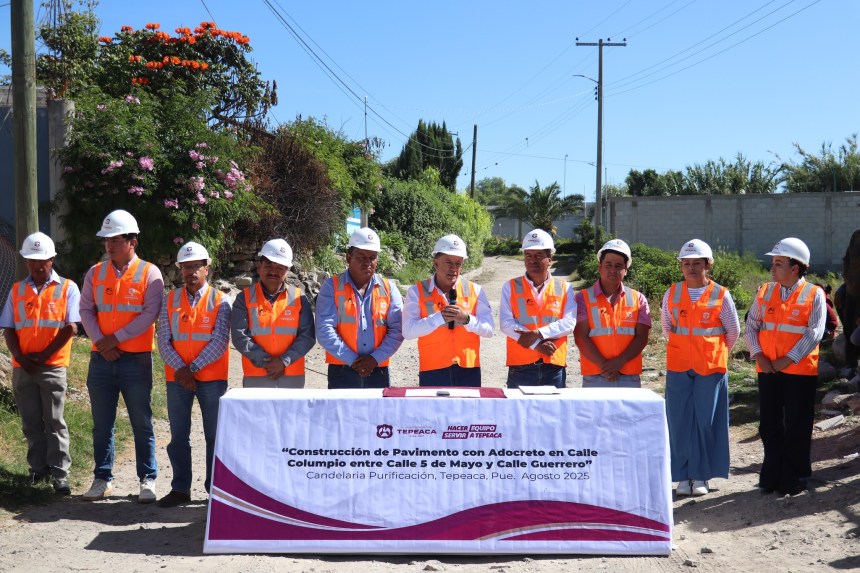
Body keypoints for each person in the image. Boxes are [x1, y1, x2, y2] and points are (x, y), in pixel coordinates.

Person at [79, 210, 164, 502]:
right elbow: (86, 310)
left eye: (116, 240)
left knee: (142, 421)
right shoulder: (95, 272)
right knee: (102, 422)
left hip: (136, 360)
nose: (110, 245)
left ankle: (147, 479)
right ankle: (102, 479)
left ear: (133, 242)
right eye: (107, 240)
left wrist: (115, 339)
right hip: (101, 359)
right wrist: (102, 342)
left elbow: (149, 314)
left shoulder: (150, 273)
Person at [745, 237, 826, 497]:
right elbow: (752, 325)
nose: (772, 268)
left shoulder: (815, 294)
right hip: (767, 369)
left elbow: (814, 333)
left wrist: (787, 359)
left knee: (797, 424)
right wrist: (758, 355)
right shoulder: (765, 291)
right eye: (773, 262)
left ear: (796, 267)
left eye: (778, 263)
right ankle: (772, 474)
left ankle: (794, 475)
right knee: (768, 424)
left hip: (799, 372)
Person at [0, 232, 79, 495]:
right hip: (23, 367)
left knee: (55, 421)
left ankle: (60, 474)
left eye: (42, 260)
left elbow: (71, 327)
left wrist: (43, 357)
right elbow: (9, 328)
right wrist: (20, 357)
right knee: (30, 421)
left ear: (52, 259)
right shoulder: (17, 289)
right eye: (31, 260)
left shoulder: (68, 288)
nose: (37, 265)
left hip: (53, 365)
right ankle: (37, 471)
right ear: (25, 261)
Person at [661, 239, 740, 497]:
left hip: (711, 367)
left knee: (706, 420)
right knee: (679, 421)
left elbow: (733, 331)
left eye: (697, 263)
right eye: (687, 263)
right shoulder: (671, 293)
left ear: (708, 265)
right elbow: (666, 328)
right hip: (679, 365)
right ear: (681, 266)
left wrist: (713, 351)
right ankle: (683, 477)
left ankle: (701, 475)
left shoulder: (721, 294)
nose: (691, 267)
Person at [155, 242, 230, 508]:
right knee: (178, 436)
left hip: (211, 379)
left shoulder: (221, 301)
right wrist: (182, 370)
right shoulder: (170, 300)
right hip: (178, 379)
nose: (190, 272)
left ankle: (216, 491)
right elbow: (163, 339)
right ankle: (180, 488)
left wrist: (193, 369)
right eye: (186, 267)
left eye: (196, 266)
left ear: (206, 269)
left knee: (215, 436)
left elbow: (219, 341)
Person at [315, 227, 404, 389]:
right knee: (341, 415)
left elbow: (398, 330)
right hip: (342, 370)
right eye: (361, 256)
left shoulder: (389, 289)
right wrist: (352, 359)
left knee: (376, 415)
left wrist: (375, 359)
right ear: (349, 258)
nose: (367, 262)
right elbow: (324, 329)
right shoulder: (332, 286)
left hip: (378, 370)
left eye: (372, 257)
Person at [403, 234, 494, 386]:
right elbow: (408, 331)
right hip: (432, 369)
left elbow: (489, 330)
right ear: (436, 263)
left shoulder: (475, 291)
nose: (453, 269)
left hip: (468, 369)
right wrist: (440, 318)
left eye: (458, 264)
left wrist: (467, 319)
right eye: (448, 263)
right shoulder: (416, 291)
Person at [231, 238, 315, 388]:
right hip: (256, 375)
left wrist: (284, 361)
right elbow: (239, 336)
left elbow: (307, 336)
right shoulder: (244, 298)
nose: (273, 271)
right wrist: (267, 362)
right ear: (259, 267)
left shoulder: (299, 298)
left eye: (280, 267)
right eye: (269, 264)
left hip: (292, 375)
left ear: (287, 271)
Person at [499, 229, 577, 388]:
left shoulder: (565, 288)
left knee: (553, 413)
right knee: (520, 413)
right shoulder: (510, 287)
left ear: (550, 259)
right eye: (528, 255)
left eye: (538, 256)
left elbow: (569, 323)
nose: (532, 260)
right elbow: (506, 324)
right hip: (521, 367)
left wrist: (538, 333)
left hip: (553, 365)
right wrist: (537, 345)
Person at [574, 239, 651, 388]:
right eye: (608, 265)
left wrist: (619, 362)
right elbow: (580, 337)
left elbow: (642, 337)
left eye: (618, 266)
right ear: (599, 267)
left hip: (628, 375)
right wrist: (605, 366)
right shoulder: (582, 298)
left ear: (626, 270)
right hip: (595, 375)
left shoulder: (638, 299)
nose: (613, 270)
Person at [839, 229, 860, 373]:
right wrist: (848, 278)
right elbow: (846, 259)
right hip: (852, 288)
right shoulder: (856, 235)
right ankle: (851, 363)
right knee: (848, 325)